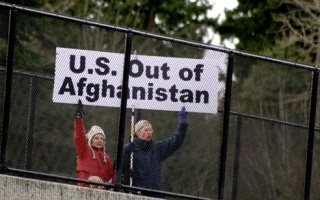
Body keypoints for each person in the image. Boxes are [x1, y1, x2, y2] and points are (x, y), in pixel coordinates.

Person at [121, 106, 188, 198]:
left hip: (157, 194)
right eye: (146, 130)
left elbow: (176, 141)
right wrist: (126, 152)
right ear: (138, 132)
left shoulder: (157, 148)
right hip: (137, 194)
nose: (149, 132)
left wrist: (182, 125)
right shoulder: (130, 150)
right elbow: (120, 167)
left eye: (150, 130)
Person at [73, 99, 114, 189]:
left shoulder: (106, 158)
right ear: (91, 139)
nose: (99, 140)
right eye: (96, 138)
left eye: (102, 138)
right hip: (84, 190)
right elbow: (79, 136)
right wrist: (78, 118)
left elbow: (112, 177)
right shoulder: (84, 151)